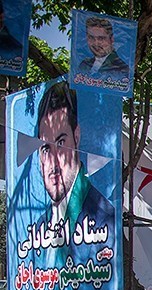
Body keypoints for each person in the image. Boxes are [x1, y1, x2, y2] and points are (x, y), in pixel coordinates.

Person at [34, 81, 115, 268]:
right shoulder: (38, 229)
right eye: (45, 148)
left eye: (61, 143)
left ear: (76, 137)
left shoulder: (103, 218)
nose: (53, 161)